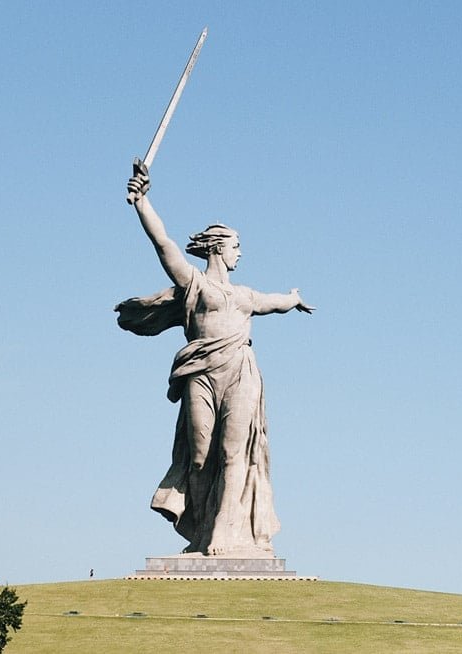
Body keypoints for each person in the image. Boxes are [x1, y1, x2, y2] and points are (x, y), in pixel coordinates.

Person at [117, 161, 313, 556]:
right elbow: (164, 245)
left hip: (241, 372)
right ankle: (203, 531)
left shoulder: (244, 296)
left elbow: (275, 303)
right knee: (202, 454)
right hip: (201, 373)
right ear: (219, 248)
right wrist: (142, 203)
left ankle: (225, 533)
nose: (241, 253)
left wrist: (293, 298)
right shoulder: (195, 284)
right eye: (237, 246)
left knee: (233, 452)